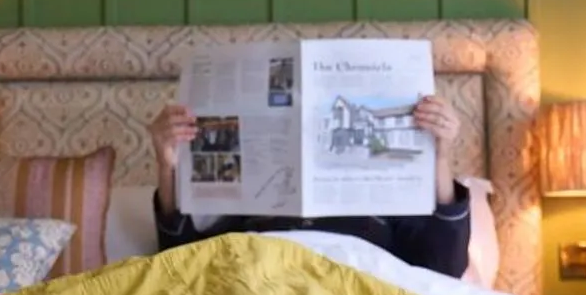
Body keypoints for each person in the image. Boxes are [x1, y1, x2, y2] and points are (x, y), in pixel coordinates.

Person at [148, 94, 473, 278]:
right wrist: (167, 165)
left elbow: (445, 268)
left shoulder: (390, 202)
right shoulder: (243, 211)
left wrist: (440, 157)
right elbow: (180, 264)